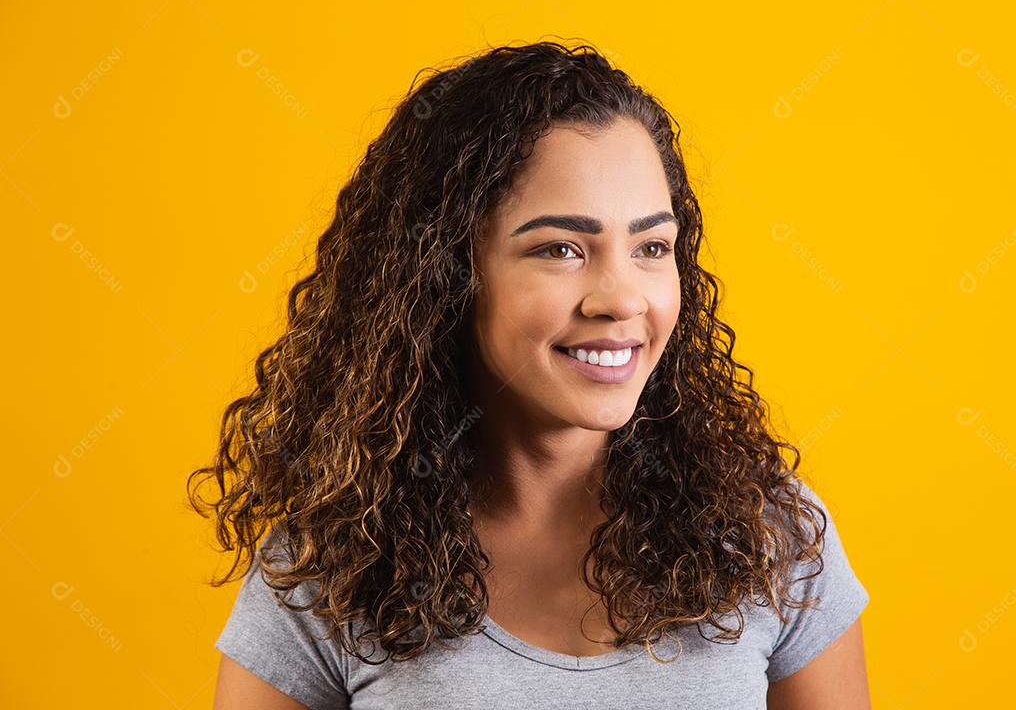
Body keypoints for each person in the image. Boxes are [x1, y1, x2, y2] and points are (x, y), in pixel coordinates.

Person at [188, 39, 871, 709]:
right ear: (449, 274)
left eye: (651, 246)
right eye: (561, 248)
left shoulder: (770, 534)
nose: (622, 298)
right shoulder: (332, 559)